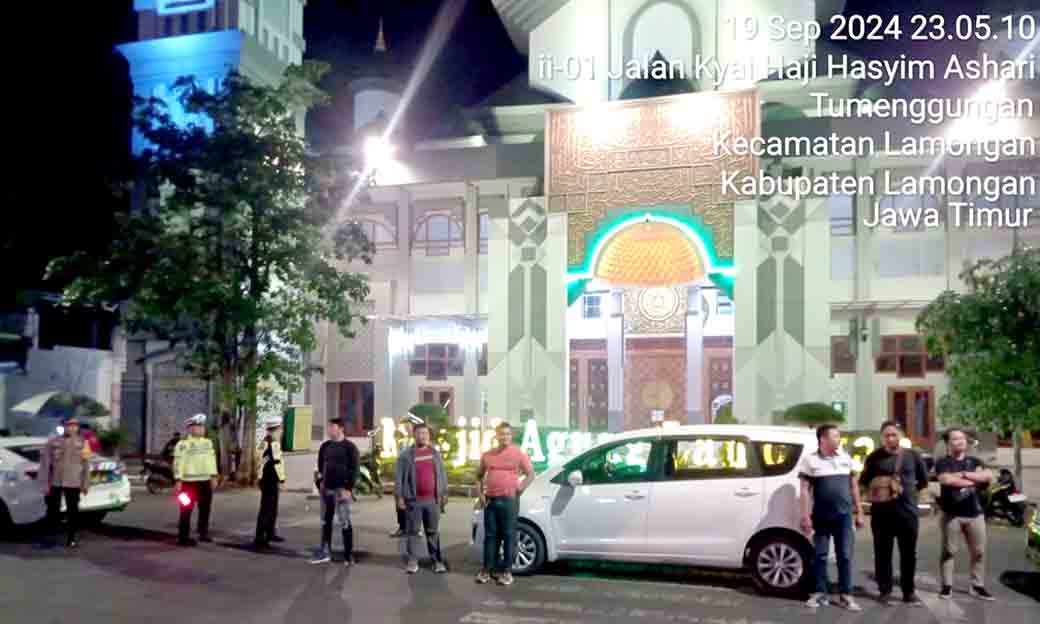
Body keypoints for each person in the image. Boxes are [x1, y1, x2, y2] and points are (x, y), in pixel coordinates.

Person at [859, 421, 929, 606]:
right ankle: (885, 591)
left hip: (907, 513)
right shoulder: (874, 458)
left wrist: (909, 495)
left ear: (901, 435)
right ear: (882, 437)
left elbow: (923, 481)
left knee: (909, 554)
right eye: (887, 435)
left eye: (894, 434)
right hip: (881, 514)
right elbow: (864, 482)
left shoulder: (913, 456)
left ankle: (908, 592)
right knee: (882, 554)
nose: (890, 438)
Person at [798, 423, 864, 611]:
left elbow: (854, 487)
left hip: (844, 517)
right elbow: (804, 490)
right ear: (823, 439)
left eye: (838, 436)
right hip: (821, 516)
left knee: (845, 556)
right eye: (835, 436)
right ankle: (820, 592)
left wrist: (859, 511)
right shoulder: (810, 461)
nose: (838, 439)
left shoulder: (846, 459)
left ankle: (846, 595)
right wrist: (805, 516)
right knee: (820, 556)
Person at [935, 427, 995, 601]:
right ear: (948, 443)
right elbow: (947, 480)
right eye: (955, 439)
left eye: (962, 438)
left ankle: (977, 586)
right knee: (949, 551)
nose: (960, 441)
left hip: (975, 513)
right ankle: (946, 586)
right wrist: (974, 480)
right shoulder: (943, 463)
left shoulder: (975, 461)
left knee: (979, 552)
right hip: (952, 514)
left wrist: (962, 474)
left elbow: (988, 476)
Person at [476, 422, 535, 586]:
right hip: (490, 501)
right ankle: (487, 570)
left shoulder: (518, 454)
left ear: (511, 436)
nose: (505, 437)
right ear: (496, 436)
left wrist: (520, 488)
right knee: (490, 536)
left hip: (509, 501)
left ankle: (507, 572)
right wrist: (480, 495)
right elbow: (478, 476)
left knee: (509, 536)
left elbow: (531, 473)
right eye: (502, 434)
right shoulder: (488, 455)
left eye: (508, 434)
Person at [395, 422, 449, 574]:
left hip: (433, 501)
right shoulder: (406, 455)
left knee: (433, 532)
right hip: (413, 501)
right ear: (414, 435)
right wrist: (399, 497)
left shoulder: (435, 453)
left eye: (425, 433)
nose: (423, 436)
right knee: (412, 532)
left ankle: (436, 561)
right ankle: (413, 561)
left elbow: (442, 474)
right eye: (420, 433)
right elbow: (399, 478)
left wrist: (444, 492)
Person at [311, 418, 360, 565]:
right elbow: (320, 466)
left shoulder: (350, 447)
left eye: (332, 427)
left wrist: (349, 489)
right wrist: (320, 483)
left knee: (345, 522)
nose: (329, 430)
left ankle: (348, 555)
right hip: (326, 489)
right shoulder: (325, 446)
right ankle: (325, 552)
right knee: (325, 521)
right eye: (328, 427)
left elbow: (354, 470)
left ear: (341, 428)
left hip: (341, 490)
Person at [38, 416, 91, 548]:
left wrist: (85, 484)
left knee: (73, 511)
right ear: (63, 427)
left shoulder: (83, 443)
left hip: (74, 481)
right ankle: (51, 537)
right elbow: (45, 464)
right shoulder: (53, 442)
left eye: (74, 425)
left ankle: (71, 538)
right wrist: (44, 483)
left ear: (77, 427)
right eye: (69, 425)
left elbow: (86, 465)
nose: (72, 428)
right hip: (56, 481)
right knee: (52, 511)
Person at [173, 413, 219, 547]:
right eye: (198, 426)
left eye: (202, 426)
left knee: (205, 509)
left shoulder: (207, 443)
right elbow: (178, 462)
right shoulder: (183, 444)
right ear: (190, 428)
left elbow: (211, 460)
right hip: (188, 482)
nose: (201, 429)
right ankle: (183, 537)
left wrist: (213, 476)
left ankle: (203, 532)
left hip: (205, 481)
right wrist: (178, 480)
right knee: (186, 509)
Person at [254, 416, 287, 548]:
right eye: (280, 429)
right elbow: (275, 463)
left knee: (272, 507)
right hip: (269, 479)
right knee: (267, 508)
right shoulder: (271, 443)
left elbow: (260, 461)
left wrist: (260, 477)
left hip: (268, 478)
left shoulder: (267, 442)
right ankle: (260, 537)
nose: (281, 432)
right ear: (276, 429)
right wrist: (282, 479)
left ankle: (270, 532)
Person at [390, 414, 420, 538]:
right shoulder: (403, 441)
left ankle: (415, 528)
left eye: (408, 425)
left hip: (413, 477)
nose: (406, 428)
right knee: (399, 501)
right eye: (405, 426)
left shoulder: (418, 442)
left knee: (414, 504)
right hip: (402, 477)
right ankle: (402, 527)